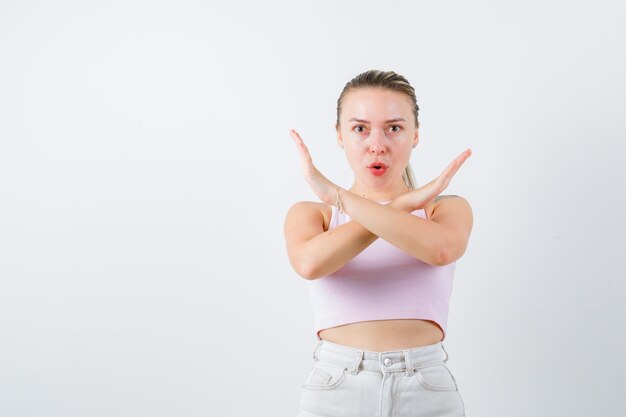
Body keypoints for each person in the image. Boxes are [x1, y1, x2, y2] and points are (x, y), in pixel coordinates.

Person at [284, 69, 473, 417]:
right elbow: (309, 263)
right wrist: (399, 205)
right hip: (337, 389)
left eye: (394, 128)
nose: (377, 144)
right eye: (360, 128)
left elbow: (441, 250)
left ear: (415, 135)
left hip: (426, 388)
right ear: (339, 135)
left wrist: (342, 197)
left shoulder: (445, 208)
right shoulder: (314, 214)